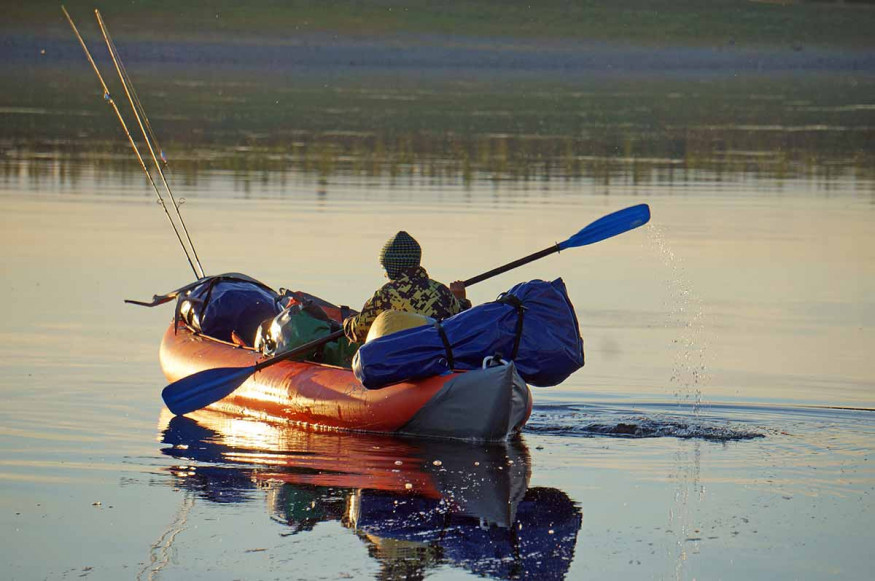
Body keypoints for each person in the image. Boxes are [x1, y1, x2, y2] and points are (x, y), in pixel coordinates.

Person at [342, 231, 471, 343]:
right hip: (436, 358)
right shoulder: (441, 291)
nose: (385, 274)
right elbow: (461, 325)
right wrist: (461, 300)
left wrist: (347, 321)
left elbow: (357, 331)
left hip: (399, 361)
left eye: (385, 268)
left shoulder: (385, 295)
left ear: (393, 266)